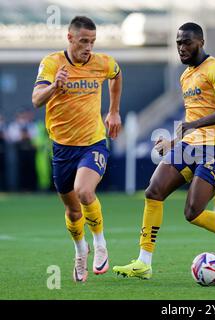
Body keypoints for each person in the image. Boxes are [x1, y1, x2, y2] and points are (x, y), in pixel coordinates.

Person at [113, 22, 215, 279]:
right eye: (178, 42)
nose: (181, 48)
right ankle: (144, 262)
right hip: (190, 145)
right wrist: (173, 141)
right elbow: (193, 116)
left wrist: (195, 125)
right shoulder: (185, 75)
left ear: (200, 42)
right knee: (153, 191)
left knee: (192, 212)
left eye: (187, 42)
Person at [32, 16, 122, 282]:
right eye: (84, 41)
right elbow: (37, 100)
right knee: (72, 212)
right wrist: (54, 87)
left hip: (92, 143)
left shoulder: (102, 62)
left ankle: (100, 243)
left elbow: (116, 74)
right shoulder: (51, 64)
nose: (89, 47)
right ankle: (80, 249)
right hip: (62, 149)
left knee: (85, 191)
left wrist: (114, 111)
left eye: (92, 42)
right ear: (70, 38)